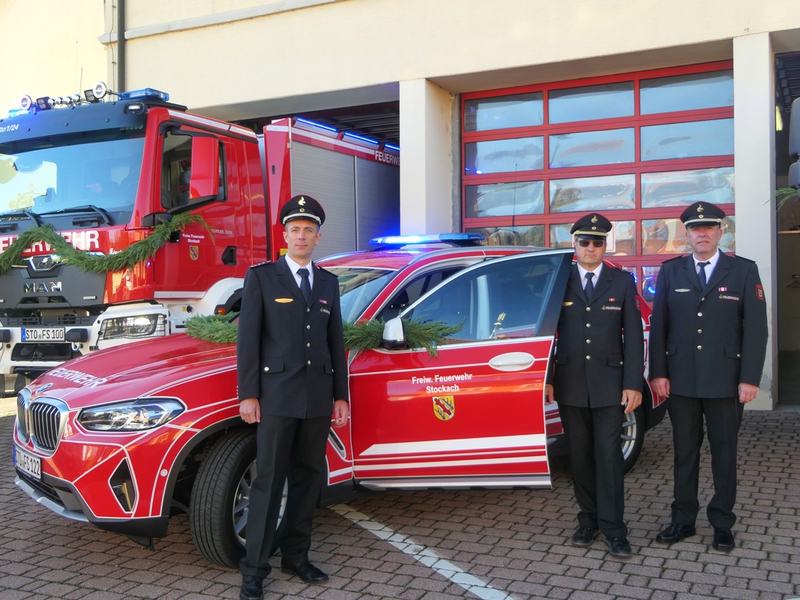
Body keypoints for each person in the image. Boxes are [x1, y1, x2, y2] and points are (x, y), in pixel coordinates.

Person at [237, 194, 350, 600]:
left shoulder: (328, 282)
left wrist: (341, 395)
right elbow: (247, 341)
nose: (301, 236)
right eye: (294, 230)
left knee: (308, 480)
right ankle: (254, 569)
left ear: (318, 237)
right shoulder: (263, 277)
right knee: (268, 482)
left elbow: (334, 342)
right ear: (284, 235)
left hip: (318, 397)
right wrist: (248, 394)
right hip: (276, 396)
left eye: (308, 230)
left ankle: (296, 556)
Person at [649, 201, 768, 553]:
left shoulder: (743, 271)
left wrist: (750, 378)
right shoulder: (671, 271)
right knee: (684, 453)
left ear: (720, 232)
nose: (702, 233)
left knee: (724, 454)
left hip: (726, 380)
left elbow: (756, 328)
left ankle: (722, 522)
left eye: (709, 228)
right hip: (681, 381)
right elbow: (659, 328)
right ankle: (683, 520)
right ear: (686, 234)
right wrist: (658, 373)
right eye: (695, 229)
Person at [545, 212, 643, 559]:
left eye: (597, 242)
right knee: (580, 458)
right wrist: (547, 379)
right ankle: (588, 521)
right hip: (570, 384)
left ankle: (615, 529)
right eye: (584, 242)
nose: (590, 247)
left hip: (609, 385)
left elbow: (633, 336)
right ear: (574, 244)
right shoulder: (560, 279)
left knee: (609, 458)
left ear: (605, 245)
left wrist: (634, 383)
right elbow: (546, 335)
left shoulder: (622, 283)